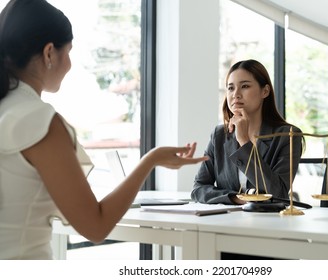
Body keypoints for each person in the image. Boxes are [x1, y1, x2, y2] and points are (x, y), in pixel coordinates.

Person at [0, 0, 207, 260]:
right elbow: (95, 227)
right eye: (70, 52)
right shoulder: (38, 121)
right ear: (49, 53)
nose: (70, 64)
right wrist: (150, 160)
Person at [191, 59, 303, 205]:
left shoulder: (288, 136)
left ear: (265, 91)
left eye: (244, 86)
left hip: (268, 222)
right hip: (226, 220)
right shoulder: (219, 135)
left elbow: (278, 193)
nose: (236, 94)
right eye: (230, 88)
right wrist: (237, 199)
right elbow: (198, 189)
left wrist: (244, 142)